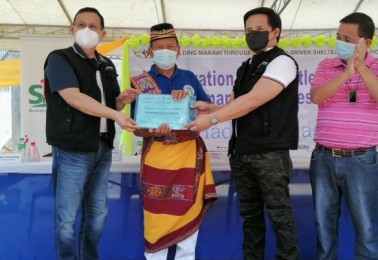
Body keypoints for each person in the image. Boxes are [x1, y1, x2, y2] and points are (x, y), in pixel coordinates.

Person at [185, 7, 300, 260]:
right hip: (242, 151)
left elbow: (253, 101)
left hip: (269, 153)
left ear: (275, 32)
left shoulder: (282, 62)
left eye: (260, 30)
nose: (253, 35)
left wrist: (212, 119)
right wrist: (212, 108)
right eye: (249, 30)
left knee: (280, 216)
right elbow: (236, 106)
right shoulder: (245, 66)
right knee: (250, 217)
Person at [43, 7, 139, 260]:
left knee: (97, 214)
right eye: (80, 24)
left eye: (93, 26)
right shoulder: (59, 59)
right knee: (67, 217)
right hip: (72, 149)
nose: (86, 30)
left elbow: (109, 106)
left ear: (102, 33)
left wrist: (121, 102)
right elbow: (73, 97)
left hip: (103, 148)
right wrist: (116, 114)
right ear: (72, 29)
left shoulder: (107, 64)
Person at [309, 12, 378, 260]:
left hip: (361, 160)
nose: (340, 42)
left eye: (347, 38)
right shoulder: (326, 65)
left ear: (366, 42)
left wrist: (361, 68)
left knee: (366, 227)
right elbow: (316, 97)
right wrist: (346, 73)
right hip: (323, 158)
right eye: (338, 37)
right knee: (324, 227)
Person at [130, 23, 217, 260]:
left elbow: (208, 112)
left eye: (170, 46)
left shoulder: (189, 78)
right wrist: (151, 131)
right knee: (156, 220)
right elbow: (136, 129)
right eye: (159, 48)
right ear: (149, 51)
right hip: (157, 157)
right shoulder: (140, 82)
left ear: (178, 50)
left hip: (189, 156)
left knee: (188, 224)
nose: (165, 51)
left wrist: (188, 103)